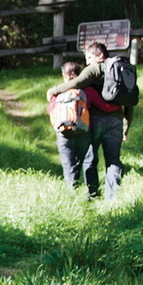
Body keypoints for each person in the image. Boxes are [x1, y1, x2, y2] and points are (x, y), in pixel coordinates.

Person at [46, 42, 134, 200]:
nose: (87, 62)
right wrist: (126, 127)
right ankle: (112, 198)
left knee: (90, 157)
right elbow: (129, 100)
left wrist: (54, 90)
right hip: (116, 120)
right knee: (113, 160)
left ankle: (92, 194)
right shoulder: (121, 70)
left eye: (89, 57)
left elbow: (77, 82)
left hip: (95, 120)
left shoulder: (96, 68)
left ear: (100, 55)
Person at [48, 61, 92, 191]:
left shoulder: (57, 92)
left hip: (63, 132)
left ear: (64, 74)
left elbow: (50, 110)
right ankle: (87, 189)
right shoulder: (87, 90)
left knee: (68, 164)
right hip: (82, 131)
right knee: (83, 161)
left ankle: (71, 191)